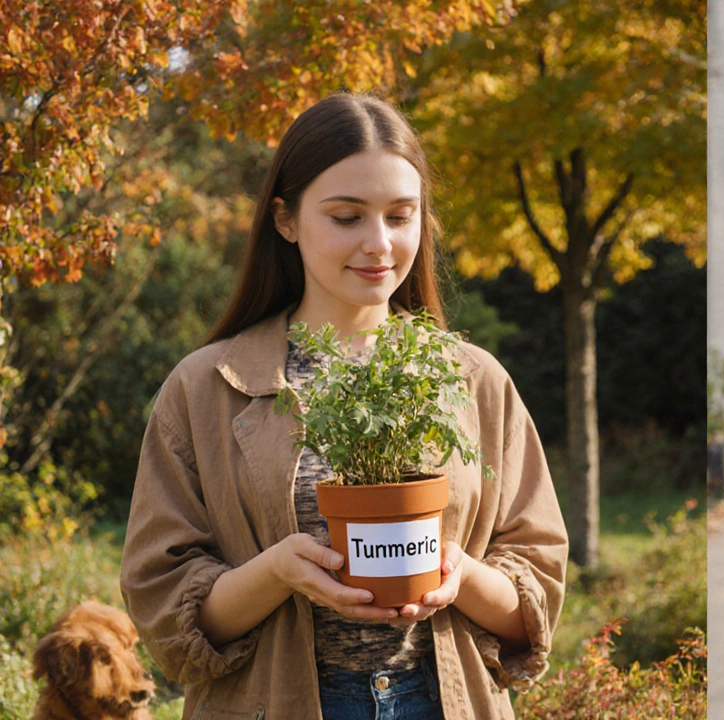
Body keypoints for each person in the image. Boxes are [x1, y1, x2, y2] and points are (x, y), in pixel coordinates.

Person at [120, 93, 569, 719]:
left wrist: (459, 573)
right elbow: (166, 614)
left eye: (400, 215)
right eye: (347, 216)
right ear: (286, 220)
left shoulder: (475, 381)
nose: (379, 243)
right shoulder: (204, 388)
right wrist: (277, 571)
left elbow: (536, 595)